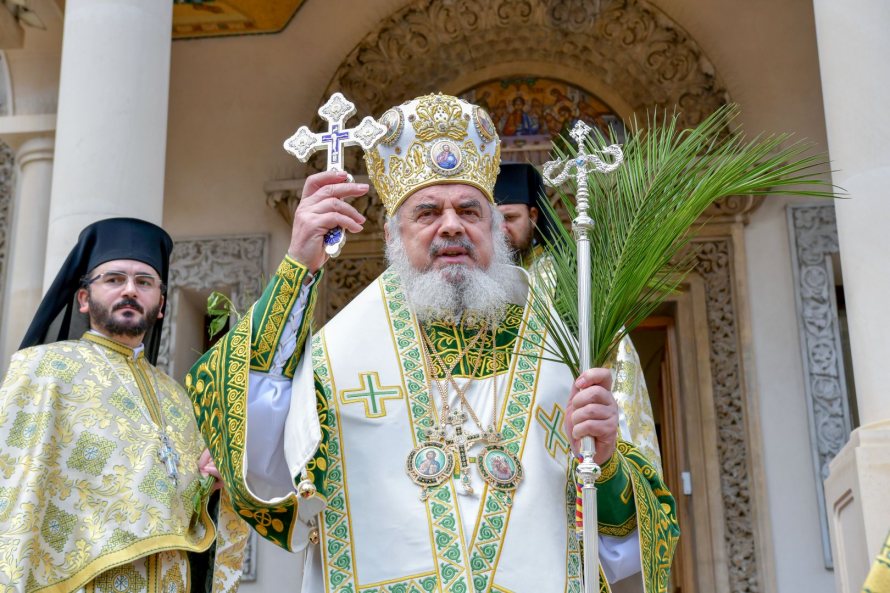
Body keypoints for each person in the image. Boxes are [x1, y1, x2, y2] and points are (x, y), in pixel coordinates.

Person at [188, 94, 678, 593]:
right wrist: (297, 267)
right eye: (427, 212)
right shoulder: (339, 354)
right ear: (392, 233)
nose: (451, 225)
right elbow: (248, 441)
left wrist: (609, 459)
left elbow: (630, 538)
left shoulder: (568, 346)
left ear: (495, 230)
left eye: (470, 210)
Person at [0, 218, 247, 593]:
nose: (130, 290)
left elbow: (177, 505)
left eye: (144, 282)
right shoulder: (44, 369)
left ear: (161, 304)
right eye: (114, 279)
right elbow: (13, 487)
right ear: (84, 298)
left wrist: (208, 485)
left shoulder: (175, 396)